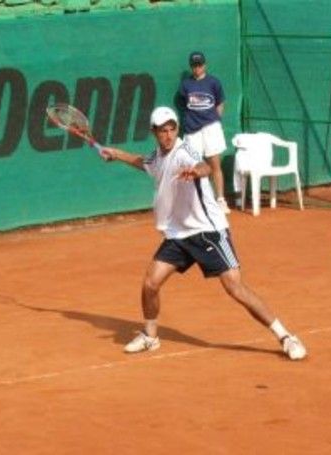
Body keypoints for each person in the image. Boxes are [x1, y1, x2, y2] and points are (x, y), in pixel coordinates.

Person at [100, 106, 307, 361]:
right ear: (154, 132)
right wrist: (116, 154)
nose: (168, 135)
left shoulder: (184, 151)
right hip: (178, 234)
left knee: (235, 287)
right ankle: (150, 336)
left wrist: (196, 171)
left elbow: (205, 167)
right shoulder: (157, 157)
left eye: (172, 129)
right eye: (163, 130)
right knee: (150, 283)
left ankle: (286, 337)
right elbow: (142, 162)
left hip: (208, 231)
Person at [177, 51, 231, 214]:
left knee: (215, 164)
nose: (197, 68)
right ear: (191, 66)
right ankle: (196, 203)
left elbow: (220, 103)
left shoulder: (214, 82)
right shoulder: (185, 85)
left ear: (205, 65)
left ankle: (220, 200)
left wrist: (215, 120)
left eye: (199, 65)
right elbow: (183, 105)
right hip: (192, 130)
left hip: (210, 128)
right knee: (193, 166)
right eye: (194, 65)